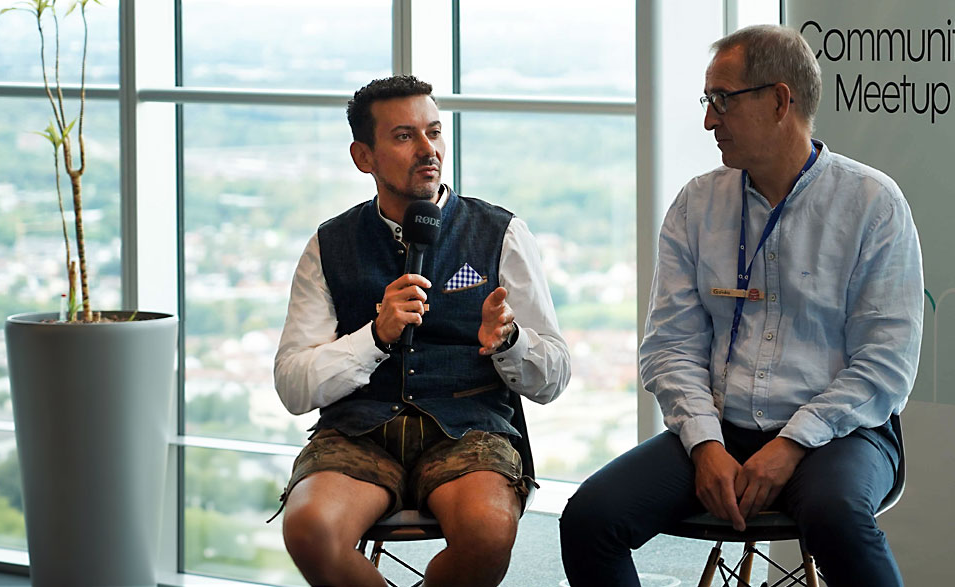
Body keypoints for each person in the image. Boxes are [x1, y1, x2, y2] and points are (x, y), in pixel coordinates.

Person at [560, 24, 922, 587]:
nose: (709, 120)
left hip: (841, 432)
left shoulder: (872, 204)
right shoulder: (697, 204)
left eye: (722, 100)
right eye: (708, 101)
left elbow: (884, 365)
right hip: (720, 427)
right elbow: (670, 347)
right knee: (588, 518)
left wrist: (792, 443)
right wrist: (704, 442)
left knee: (836, 518)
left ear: (780, 101)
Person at [273, 75, 570, 587]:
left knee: (489, 529)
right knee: (309, 528)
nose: (428, 149)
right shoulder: (329, 244)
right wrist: (375, 336)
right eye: (405, 136)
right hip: (358, 432)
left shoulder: (501, 233)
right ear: (363, 156)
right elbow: (294, 386)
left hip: (469, 427)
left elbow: (554, 376)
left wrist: (510, 341)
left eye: (434, 131)